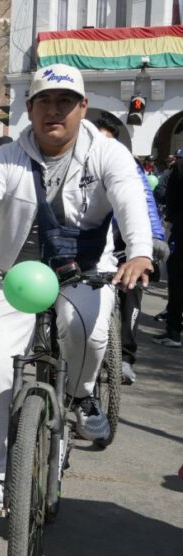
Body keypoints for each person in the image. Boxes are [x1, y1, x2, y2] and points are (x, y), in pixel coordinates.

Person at [0, 64, 153, 514]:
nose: (53, 111)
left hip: (85, 269)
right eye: (44, 102)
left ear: (82, 108)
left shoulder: (108, 154)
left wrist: (139, 251)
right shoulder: (6, 157)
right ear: (29, 109)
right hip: (16, 272)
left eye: (64, 102)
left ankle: (79, 396)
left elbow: (129, 198)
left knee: (87, 334)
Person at [93, 116, 170, 376]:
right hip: (90, 241)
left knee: (132, 289)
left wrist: (155, 236)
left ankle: (125, 358)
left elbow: (144, 200)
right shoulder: (78, 162)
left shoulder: (126, 164)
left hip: (123, 238)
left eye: (109, 141)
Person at [155, 143, 183, 347]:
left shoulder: (179, 168)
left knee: (178, 281)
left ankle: (174, 332)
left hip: (181, 232)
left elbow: (169, 196)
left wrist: (170, 217)